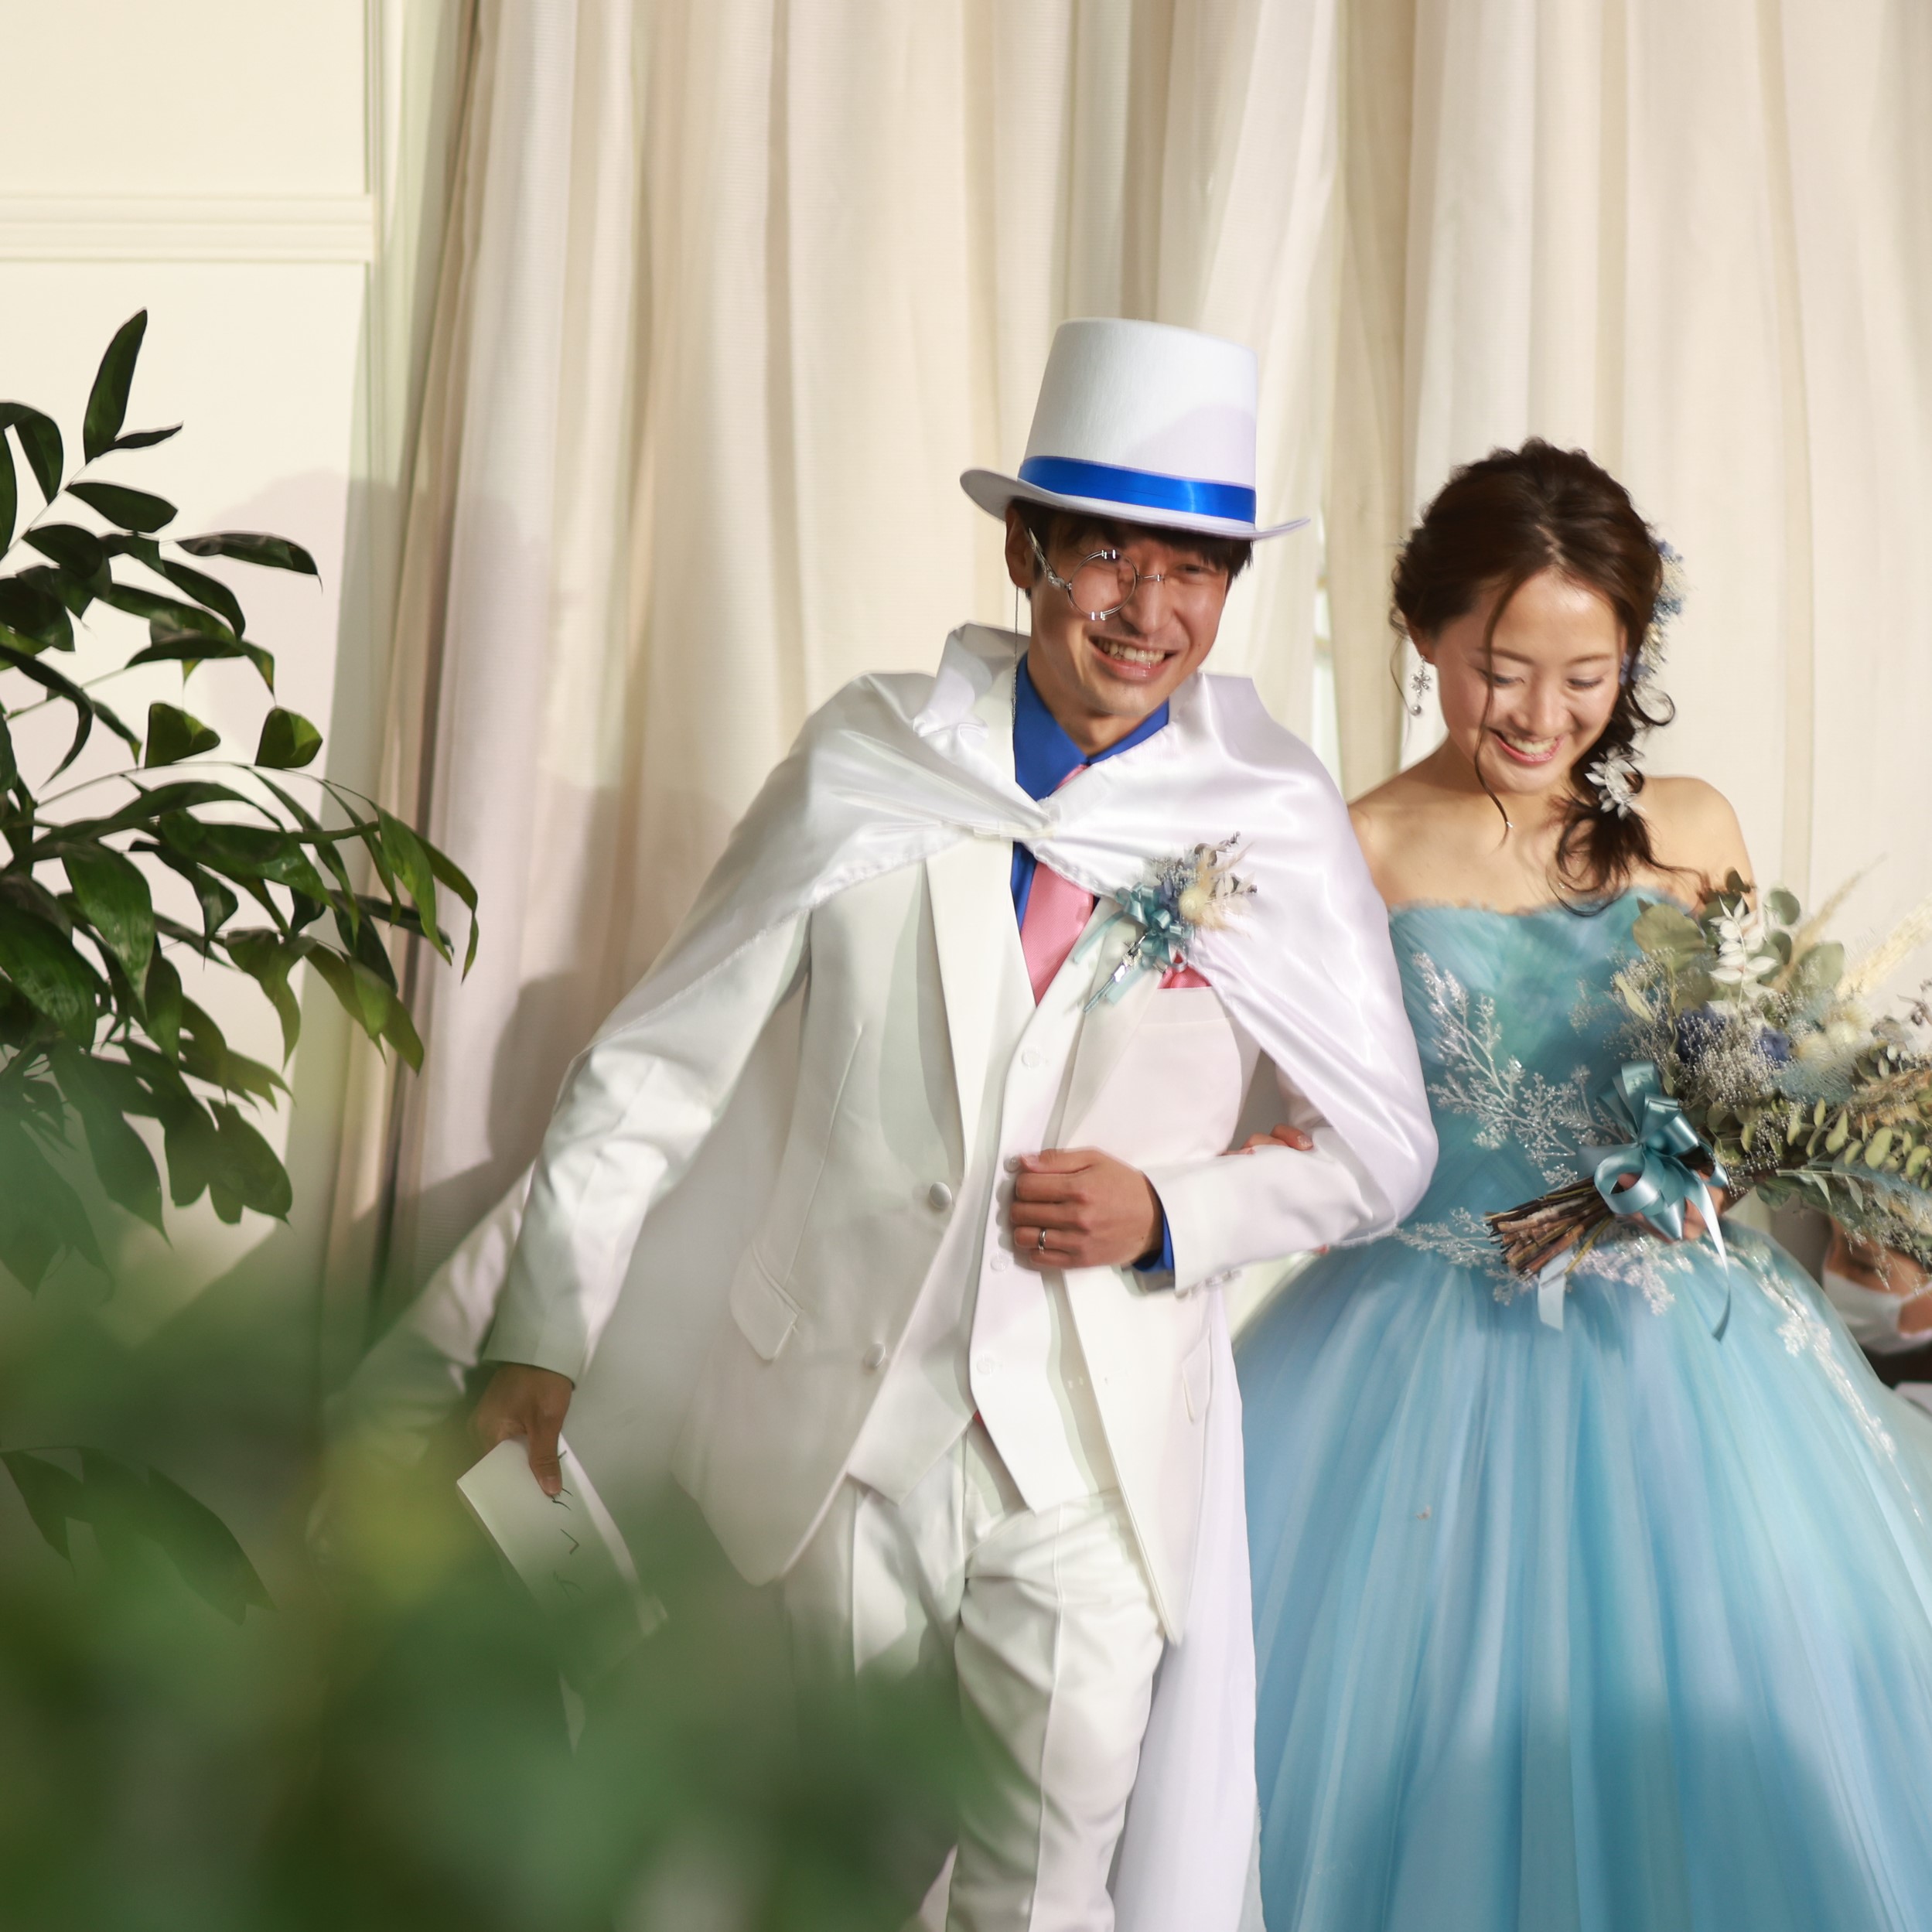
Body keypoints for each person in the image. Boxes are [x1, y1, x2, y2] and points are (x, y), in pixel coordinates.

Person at [464, 319, 1436, 1932]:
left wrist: (1173, 1209)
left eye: (1193, 569)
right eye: (1107, 553)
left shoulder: (1264, 818)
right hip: (836, 1436)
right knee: (831, 1874)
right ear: (1023, 550)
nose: (1148, 608)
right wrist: (540, 1336)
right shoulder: (873, 760)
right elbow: (653, 1067)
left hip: (1097, 1459)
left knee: (1043, 1890)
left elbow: (1382, 1146)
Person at [1237, 439, 1932, 1931]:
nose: (1539, 715)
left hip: (1698, 1358)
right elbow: (1313, 1132)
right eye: (1498, 670)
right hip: (1421, 1344)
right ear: (1420, 632)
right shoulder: (1354, 848)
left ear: (1633, 655)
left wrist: (1799, 1176)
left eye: (1585, 675)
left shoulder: (1692, 827)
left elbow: (1766, 1066)